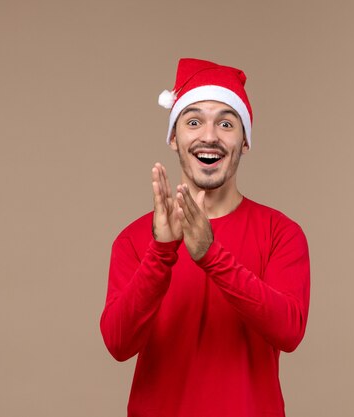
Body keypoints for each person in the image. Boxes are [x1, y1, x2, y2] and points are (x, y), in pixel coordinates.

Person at [100, 58, 311, 417]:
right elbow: (118, 343)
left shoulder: (281, 232)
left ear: (244, 141)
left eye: (226, 123)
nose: (209, 136)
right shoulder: (135, 239)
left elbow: (289, 331)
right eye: (194, 121)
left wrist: (211, 256)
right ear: (173, 137)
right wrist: (162, 251)